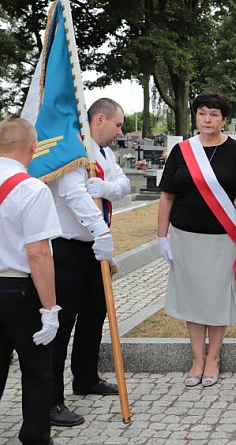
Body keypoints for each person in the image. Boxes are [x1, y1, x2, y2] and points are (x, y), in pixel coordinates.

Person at [157, 91, 236, 388]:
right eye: (202, 113)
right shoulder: (182, 151)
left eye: (214, 114)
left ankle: (214, 358)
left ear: (224, 119)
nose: (207, 119)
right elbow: (167, 195)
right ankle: (197, 358)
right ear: (195, 116)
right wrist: (162, 237)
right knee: (194, 300)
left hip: (224, 237)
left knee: (217, 300)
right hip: (185, 237)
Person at [48, 98, 129, 427]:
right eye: (118, 124)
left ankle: (86, 378)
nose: (120, 131)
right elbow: (73, 195)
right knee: (61, 326)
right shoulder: (74, 149)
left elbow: (122, 185)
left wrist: (106, 186)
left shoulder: (106, 153)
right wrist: (99, 230)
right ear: (99, 119)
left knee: (95, 315)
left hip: (95, 250)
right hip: (68, 249)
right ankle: (50, 399)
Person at [0, 118, 62, 445]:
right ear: (33, 148)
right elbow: (38, 253)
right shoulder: (32, 188)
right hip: (20, 292)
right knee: (37, 370)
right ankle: (36, 438)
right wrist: (50, 309)